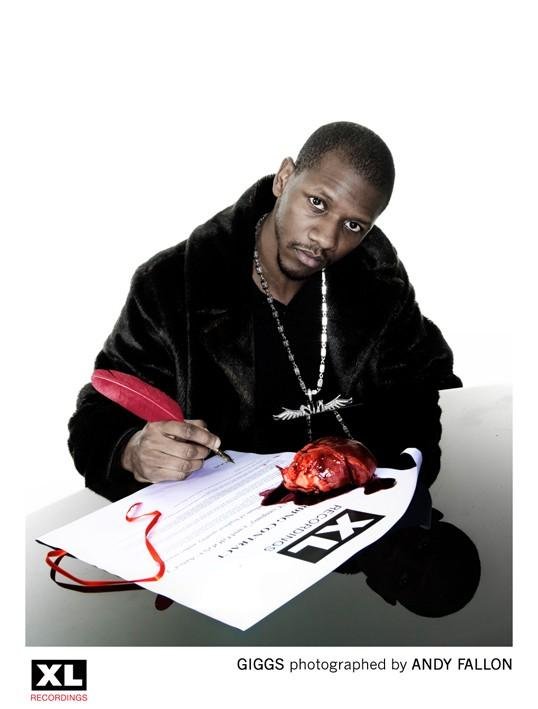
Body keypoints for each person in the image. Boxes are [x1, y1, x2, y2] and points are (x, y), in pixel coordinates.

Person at [68, 122, 461, 501]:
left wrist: (398, 480)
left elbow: (423, 393)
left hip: (362, 511)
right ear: (284, 178)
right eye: (318, 203)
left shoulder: (378, 284)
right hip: (227, 526)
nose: (326, 238)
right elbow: (101, 410)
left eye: (354, 226)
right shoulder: (172, 286)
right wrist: (130, 451)